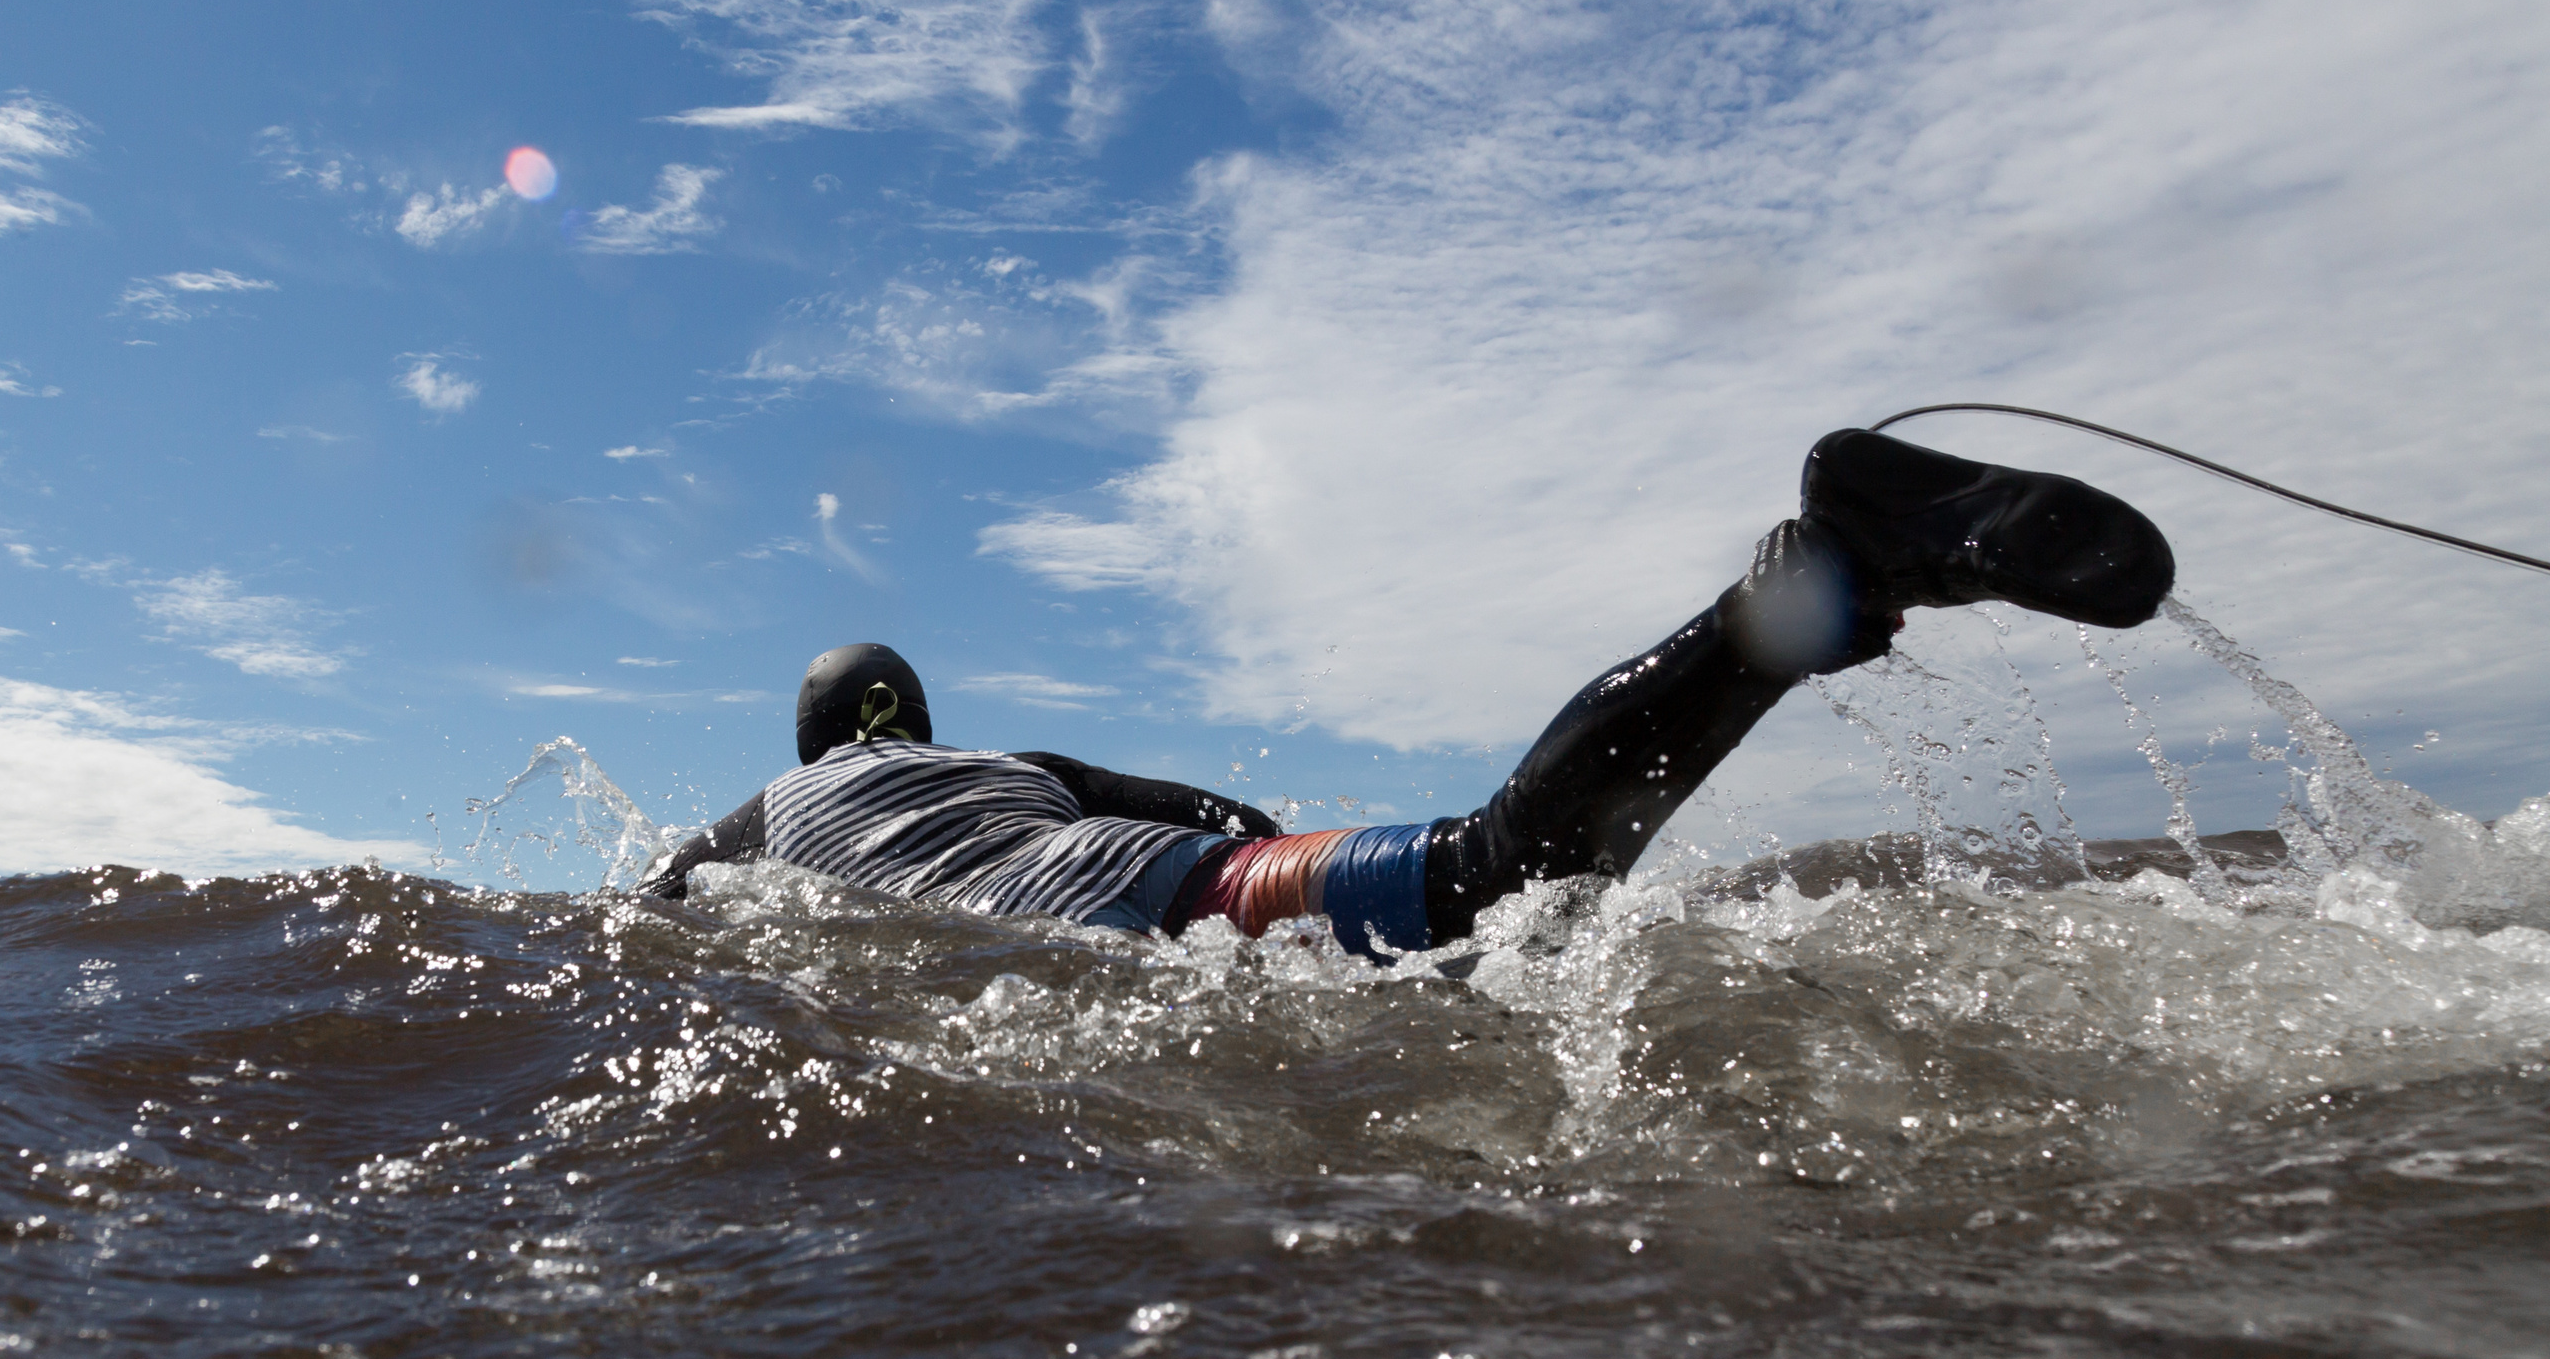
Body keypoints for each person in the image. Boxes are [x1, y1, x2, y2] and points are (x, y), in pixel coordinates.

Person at [638, 428, 2173, 955]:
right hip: (1199, 883)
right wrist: (1292, 857)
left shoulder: (775, 811)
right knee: (1482, 874)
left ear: (811, 741)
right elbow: (1207, 809)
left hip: (1129, 933)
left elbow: (650, 907)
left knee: (1503, 890)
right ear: (911, 711)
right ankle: (1821, 595)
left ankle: (1808, 597)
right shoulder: (1008, 756)